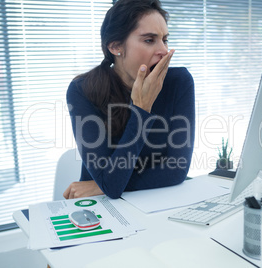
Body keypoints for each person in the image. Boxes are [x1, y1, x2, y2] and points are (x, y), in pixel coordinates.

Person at [63, 0, 195, 200]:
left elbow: (176, 171)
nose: (164, 51)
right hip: (102, 208)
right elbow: (111, 186)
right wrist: (142, 108)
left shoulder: (179, 82)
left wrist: (102, 185)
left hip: (154, 201)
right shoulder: (83, 90)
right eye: (150, 40)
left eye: (165, 40)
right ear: (116, 47)